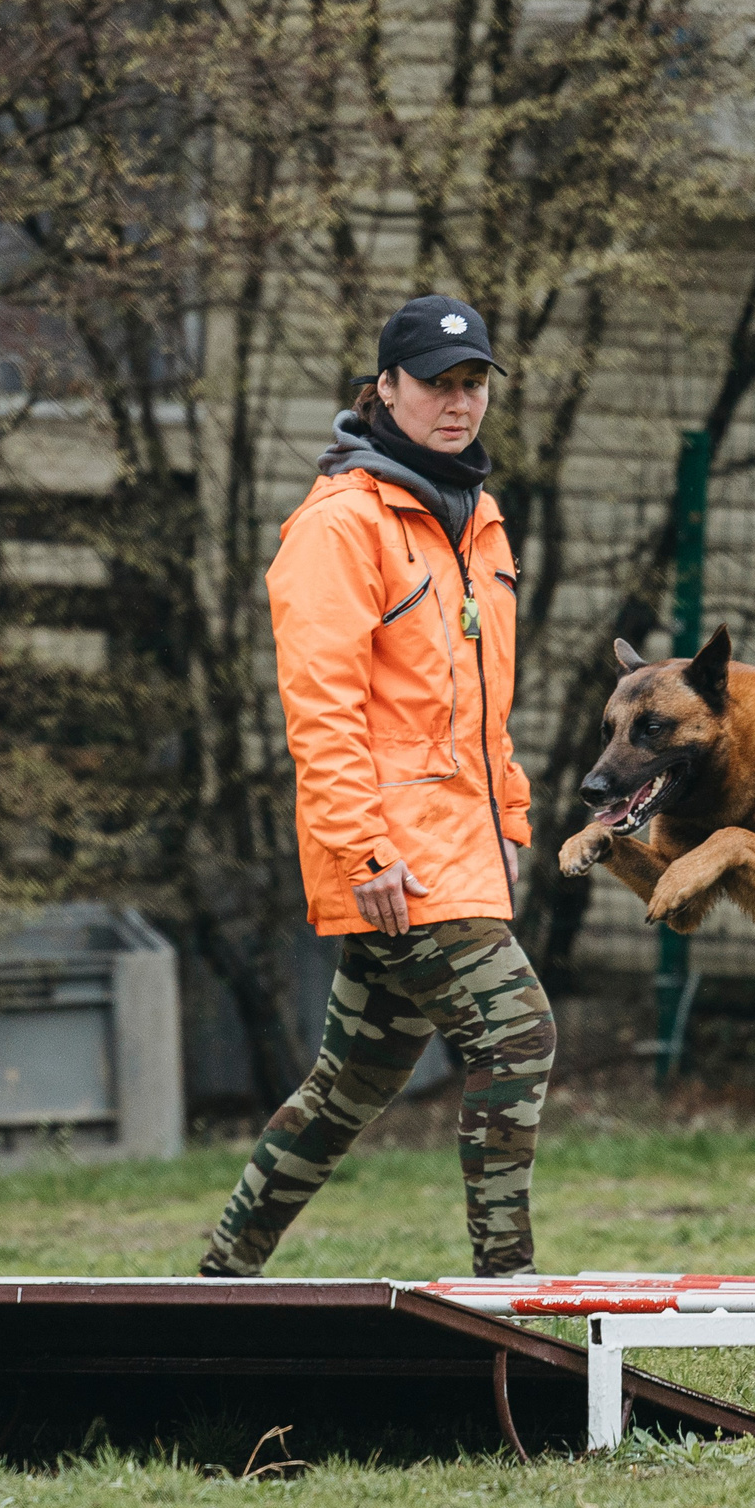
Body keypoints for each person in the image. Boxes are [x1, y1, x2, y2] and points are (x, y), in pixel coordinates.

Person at [199, 294, 556, 1280]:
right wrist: (363, 852)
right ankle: (506, 1281)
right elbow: (322, 717)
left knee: (347, 1086)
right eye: (436, 383)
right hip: (396, 862)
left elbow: (483, 707)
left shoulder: (475, 519)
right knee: (518, 1037)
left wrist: (512, 823)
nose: (457, 402)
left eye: (472, 383)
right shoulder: (340, 527)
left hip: (462, 852)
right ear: (384, 388)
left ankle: (227, 1267)